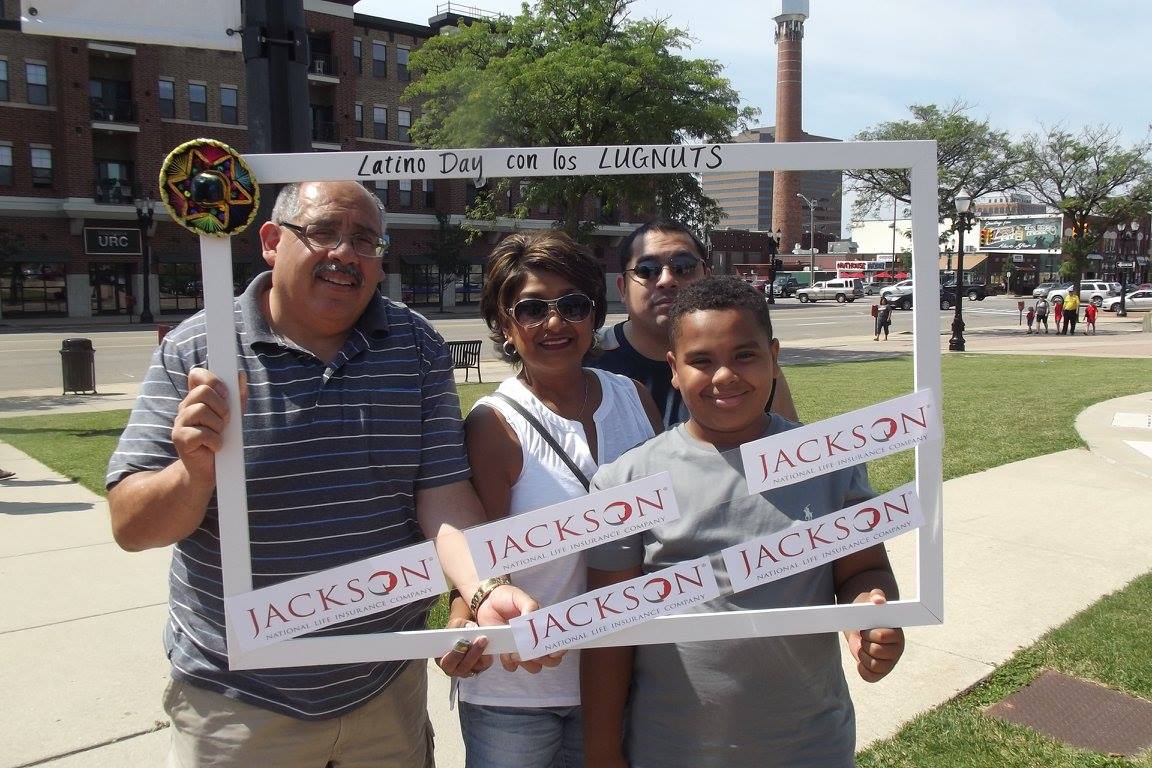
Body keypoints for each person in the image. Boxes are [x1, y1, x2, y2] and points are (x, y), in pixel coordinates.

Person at [106, 181, 550, 767]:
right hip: (241, 700)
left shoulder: (414, 346)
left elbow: (442, 494)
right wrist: (193, 474)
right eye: (323, 232)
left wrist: (485, 587)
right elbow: (132, 527)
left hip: (384, 687)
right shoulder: (200, 350)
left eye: (365, 241)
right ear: (270, 241)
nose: (346, 253)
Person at [582, 276, 904, 768]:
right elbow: (609, 631)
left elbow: (864, 571)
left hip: (809, 744)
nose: (725, 376)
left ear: (774, 355)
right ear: (673, 368)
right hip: (671, 748)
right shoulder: (628, 482)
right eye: (702, 361)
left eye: (745, 355)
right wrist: (602, 750)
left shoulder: (828, 461)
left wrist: (871, 615)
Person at [439, 230, 662, 768]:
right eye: (533, 308)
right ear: (503, 324)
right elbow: (475, 556)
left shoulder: (635, 399)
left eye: (572, 305)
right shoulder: (495, 423)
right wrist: (459, 623)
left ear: (593, 313)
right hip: (517, 692)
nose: (555, 323)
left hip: (618, 680)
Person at [592, 220, 798, 427]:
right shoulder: (589, 360)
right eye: (647, 270)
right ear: (622, 288)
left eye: (683, 267)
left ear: (707, 278)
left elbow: (786, 446)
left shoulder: (752, 366)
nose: (666, 280)